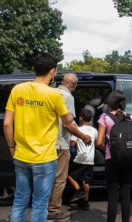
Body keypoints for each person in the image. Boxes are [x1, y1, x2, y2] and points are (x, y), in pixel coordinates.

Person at [3, 52, 88, 222]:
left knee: (20, 200)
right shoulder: (55, 95)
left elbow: (7, 124)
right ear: (52, 71)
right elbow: (67, 120)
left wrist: (12, 148)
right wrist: (70, 116)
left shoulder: (18, 89)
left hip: (21, 155)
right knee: (40, 203)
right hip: (45, 158)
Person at [48, 73, 92, 221]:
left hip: (47, 142)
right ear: (74, 85)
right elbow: (68, 124)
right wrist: (83, 136)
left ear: (62, 82)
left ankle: (42, 208)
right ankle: (53, 211)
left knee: (47, 177)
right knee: (59, 179)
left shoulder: (51, 92)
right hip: (60, 143)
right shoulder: (68, 97)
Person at [96, 90, 132, 222]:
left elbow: (99, 142)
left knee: (113, 195)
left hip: (112, 160)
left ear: (110, 102)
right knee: (126, 192)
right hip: (129, 159)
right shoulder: (131, 117)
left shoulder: (105, 117)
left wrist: (108, 149)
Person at [67, 107, 98, 210]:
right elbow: (96, 143)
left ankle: (78, 190)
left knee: (68, 174)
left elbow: (72, 144)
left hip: (80, 159)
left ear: (80, 118)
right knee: (86, 181)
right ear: (90, 119)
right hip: (90, 160)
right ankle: (85, 202)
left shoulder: (78, 130)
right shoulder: (94, 130)